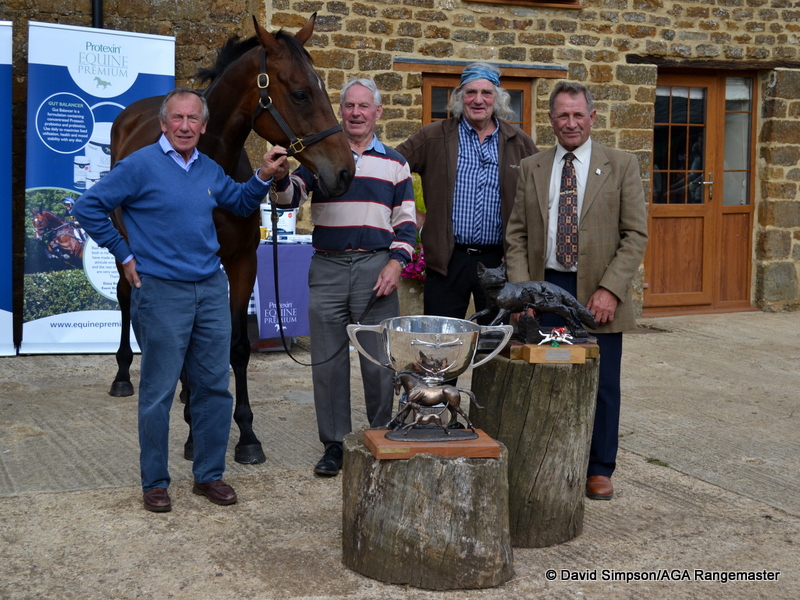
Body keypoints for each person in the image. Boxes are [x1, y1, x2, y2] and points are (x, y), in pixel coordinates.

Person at [74, 88, 289, 512]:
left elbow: (241, 201)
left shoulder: (208, 169)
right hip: (161, 290)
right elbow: (88, 206)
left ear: (204, 126)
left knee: (213, 385)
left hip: (209, 288)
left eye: (193, 119)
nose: (185, 126)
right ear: (164, 123)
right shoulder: (138, 166)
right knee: (157, 391)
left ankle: (208, 475)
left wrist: (263, 175)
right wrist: (124, 253)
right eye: (177, 118)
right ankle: (154, 482)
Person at [504, 81, 648, 501]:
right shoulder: (532, 167)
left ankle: (599, 468)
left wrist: (610, 290)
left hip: (596, 293)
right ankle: (547, 460)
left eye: (578, 115)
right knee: (546, 378)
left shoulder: (620, 164)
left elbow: (635, 234)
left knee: (601, 384)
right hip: (545, 290)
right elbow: (515, 236)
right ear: (551, 119)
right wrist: (523, 294)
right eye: (562, 115)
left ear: (592, 117)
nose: (570, 123)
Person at [271, 78, 416, 477]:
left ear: (377, 113)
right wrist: (280, 177)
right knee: (328, 361)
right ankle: (334, 444)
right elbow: (289, 199)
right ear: (341, 111)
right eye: (349, 106)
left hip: (376, 269)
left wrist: (396, 264)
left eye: (363, 106)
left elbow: (406, 223)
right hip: (330, 267)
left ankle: (381, 436)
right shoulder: (321, 157)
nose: (355, 113)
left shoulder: (395, 163)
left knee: (379, 363)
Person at [396, 62, 537, 325]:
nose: (478, 100)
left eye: (486, 93)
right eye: (471, 93)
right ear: (460, 98)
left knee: (494, 344)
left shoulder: (519, 141)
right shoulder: (434, 136)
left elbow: (540, 196)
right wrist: (414, 216)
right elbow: (391, 168)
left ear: (497, 99)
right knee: (441, 344)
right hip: (448, 261)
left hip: (498, 263)